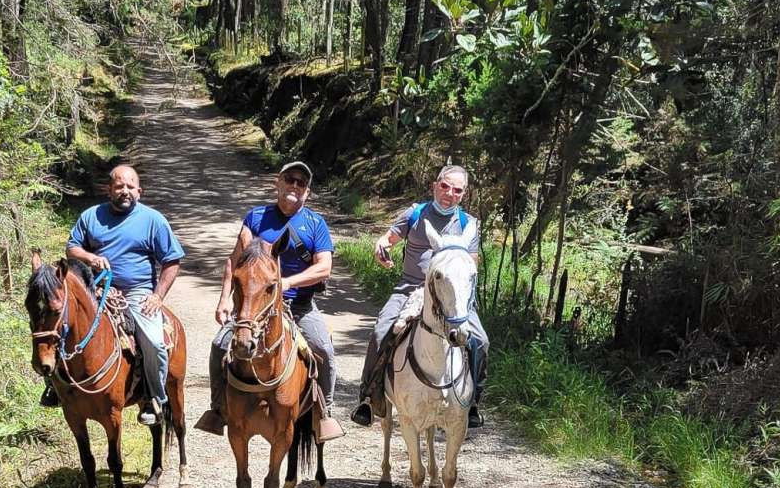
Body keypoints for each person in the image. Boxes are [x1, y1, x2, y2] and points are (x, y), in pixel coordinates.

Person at [195, 161, 344, 442]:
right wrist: (225, 298)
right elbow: (235, 260)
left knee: (323, 349)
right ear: (279, 182)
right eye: (290, 179)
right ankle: (218, 409)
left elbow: (324, 267)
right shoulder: (255, 218)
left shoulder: (315, 224)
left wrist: (287, 282)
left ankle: (324, 413)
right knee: (219, 345)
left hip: (298, 306)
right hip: (254, 307)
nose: (295, 186)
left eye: (301, 183)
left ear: (307, 192)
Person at [41, 164, 185, 426]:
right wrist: (91, 258)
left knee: (153, 341)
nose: (125, 191)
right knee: (58, 324)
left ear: (139, 191)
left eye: (130, 186)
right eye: (119, 186)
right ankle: (57, 387)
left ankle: (155, 398)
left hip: (137, 292)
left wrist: (158, 296)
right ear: (109, 190)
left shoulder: (153, 220)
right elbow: (72, 248)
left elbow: (172, 261)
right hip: (94, 289)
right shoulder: (91, 217)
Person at [349, 164, 489, 428]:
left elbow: (471, 266)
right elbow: (388, 238)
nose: (449, 193)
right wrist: (381, 246)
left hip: (452, 294)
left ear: (463, 194)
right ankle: (369, 397)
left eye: (457, 190)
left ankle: (472, 403)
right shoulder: (415, 213)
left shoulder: (468, 225)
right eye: (445, 186)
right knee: (381, 331)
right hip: (410, 287)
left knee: (480, 341)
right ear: (435, 186)